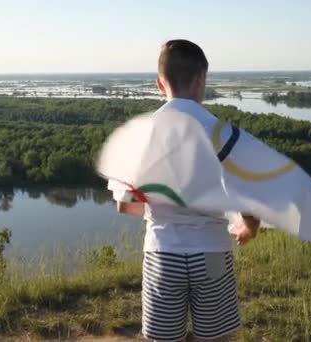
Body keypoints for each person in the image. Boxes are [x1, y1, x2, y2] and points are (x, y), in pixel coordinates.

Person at [108, 39, 260, 342]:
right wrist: (249, 229)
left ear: (159, 84)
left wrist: (158, 210)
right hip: (213, 253)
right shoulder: (226, 137)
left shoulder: (139, 136)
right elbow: (250, 202)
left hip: (162, 253)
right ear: (202, 79)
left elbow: (125, 204)